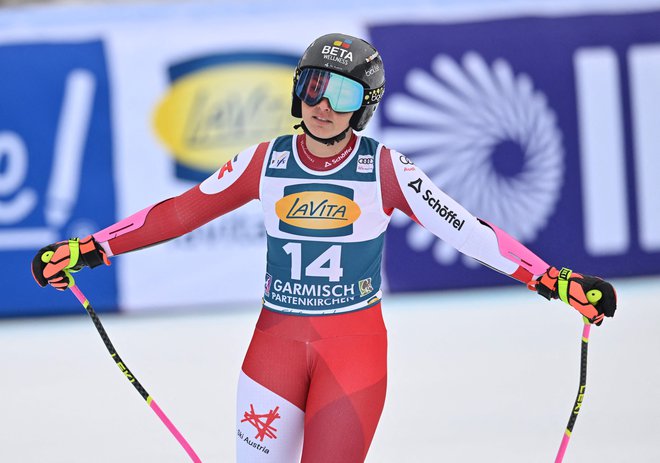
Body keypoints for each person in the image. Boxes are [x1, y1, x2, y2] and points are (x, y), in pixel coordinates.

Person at [31, 33, 617, 463]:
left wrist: (554, 281)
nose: (322, 102)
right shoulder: (265, 161)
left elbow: (468, 230)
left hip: (351, 356)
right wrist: (89, 249)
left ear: (364, 102)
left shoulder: (385, 169)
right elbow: (178, 213)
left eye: (340, 91)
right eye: (312, 84)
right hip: (274, 351)